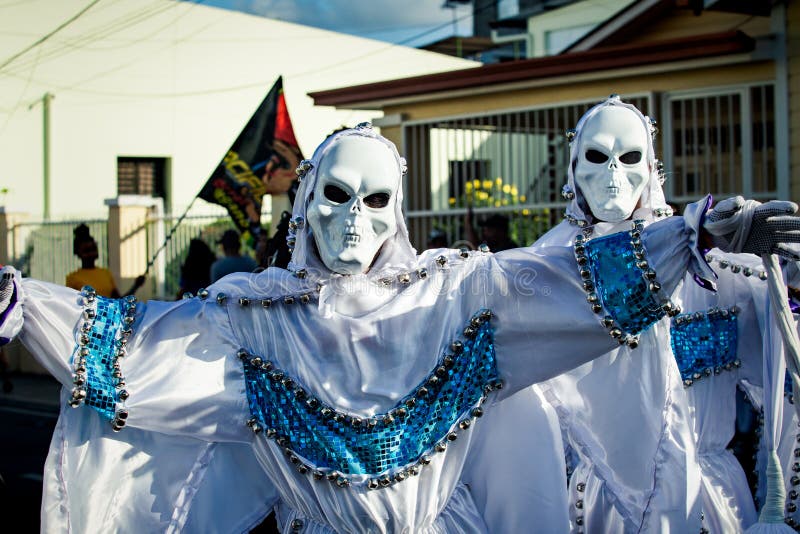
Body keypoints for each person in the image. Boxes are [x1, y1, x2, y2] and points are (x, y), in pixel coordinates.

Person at [0, 124, 796, 533]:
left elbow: (572, 286)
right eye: (336, 197)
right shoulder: (252, 321)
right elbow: (143, 346)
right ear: (306, 202)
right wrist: (27, 303)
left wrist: (694, 235)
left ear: (400, 211)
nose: (352, 222)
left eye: (375, 201)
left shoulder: (452, 297)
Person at [537, 96, 789, 532]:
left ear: (650, 167)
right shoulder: (547, 271)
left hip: (710, 499)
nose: (613, 175)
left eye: (629, 157)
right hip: (598, 503)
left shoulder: (714, 264)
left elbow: (779, 348)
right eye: (597, 157)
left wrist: (785, 272)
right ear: (574, 168)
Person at [66, 223, 144, 298]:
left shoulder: (105, 273)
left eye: (93, 249)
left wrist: (136, 286)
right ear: (77, 253)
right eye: (86, 250)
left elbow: (119, 302)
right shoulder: (72, 278)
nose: (91, 253)